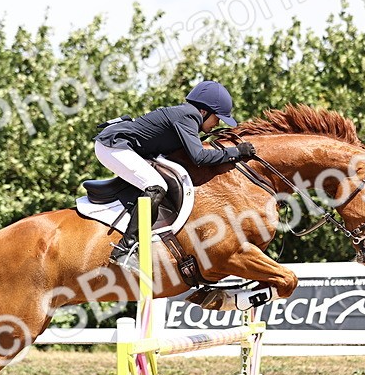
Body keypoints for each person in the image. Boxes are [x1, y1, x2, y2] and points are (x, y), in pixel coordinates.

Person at [94, 80, 257, 267]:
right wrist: (236, 153)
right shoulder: (189, 116)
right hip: (113, 146)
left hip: (121, 145)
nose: (217, 123)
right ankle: (126, 248)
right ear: (204, 112)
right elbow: (199, 157)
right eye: (217, 118)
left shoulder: (188, 116)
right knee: (156, 186)